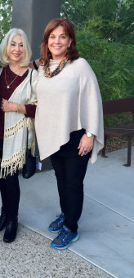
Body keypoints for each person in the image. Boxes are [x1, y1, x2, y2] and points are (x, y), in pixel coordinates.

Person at [34, 18, 104, 250]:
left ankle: (71, 228)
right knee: (61, 180)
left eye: (62, 36)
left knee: (73, 184)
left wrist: (91, 134)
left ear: (70, 40)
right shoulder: (43, 68)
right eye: (52, 36)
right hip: (54, 135)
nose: (57, 41)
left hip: (76, 136)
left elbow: (94, 99)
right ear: (46, 41)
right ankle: (66, 213)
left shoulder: (80, 66)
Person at [0, 28, 38, 243]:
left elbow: (41, 107)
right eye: (12, 44)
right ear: (6, 48)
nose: (16, 49)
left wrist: (16, 107)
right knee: (2, 176)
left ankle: (12, 220)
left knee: (11, 179)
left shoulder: (32, 75)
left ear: (25, 48)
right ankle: (4, 215)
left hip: (18, 135)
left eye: (20, 45)